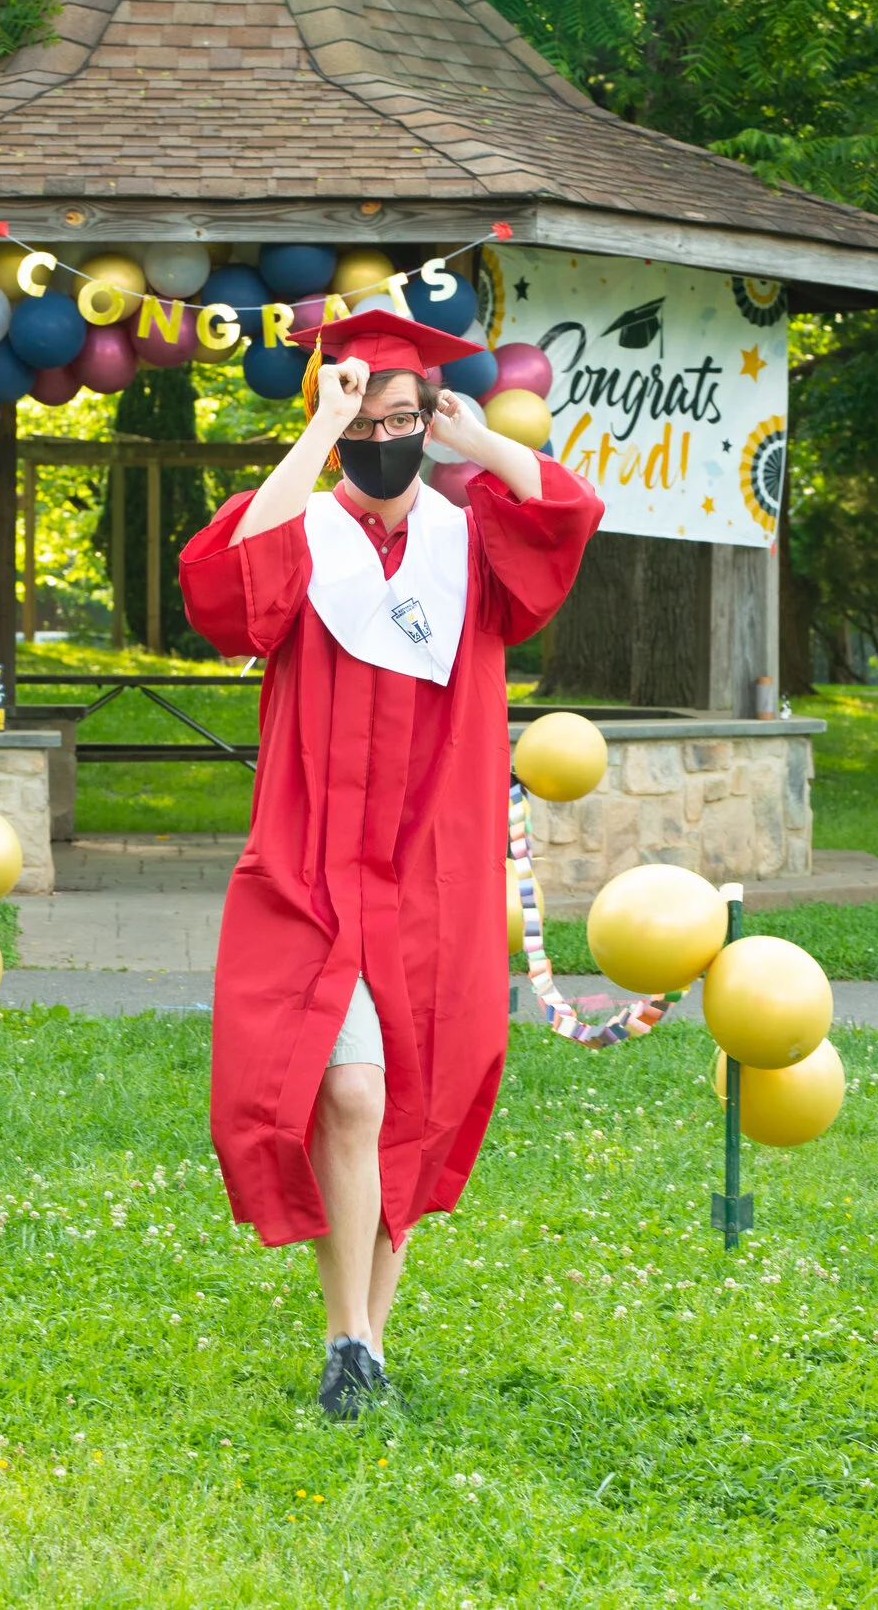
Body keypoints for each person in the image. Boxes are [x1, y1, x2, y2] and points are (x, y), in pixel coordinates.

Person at [179, 309, 602, 1417]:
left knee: (405, 1098)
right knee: (347, 1090)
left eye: (401, 417)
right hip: (314, 869)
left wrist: (477, 438)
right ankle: (347, 1329)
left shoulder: (473, 546)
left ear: (428, 417)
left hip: (431, 875)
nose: (384, 437)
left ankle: (362, 1346)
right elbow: (223, 583)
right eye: (365, 421)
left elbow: (564, 511)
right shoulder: (304, 529)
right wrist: (318, 431)